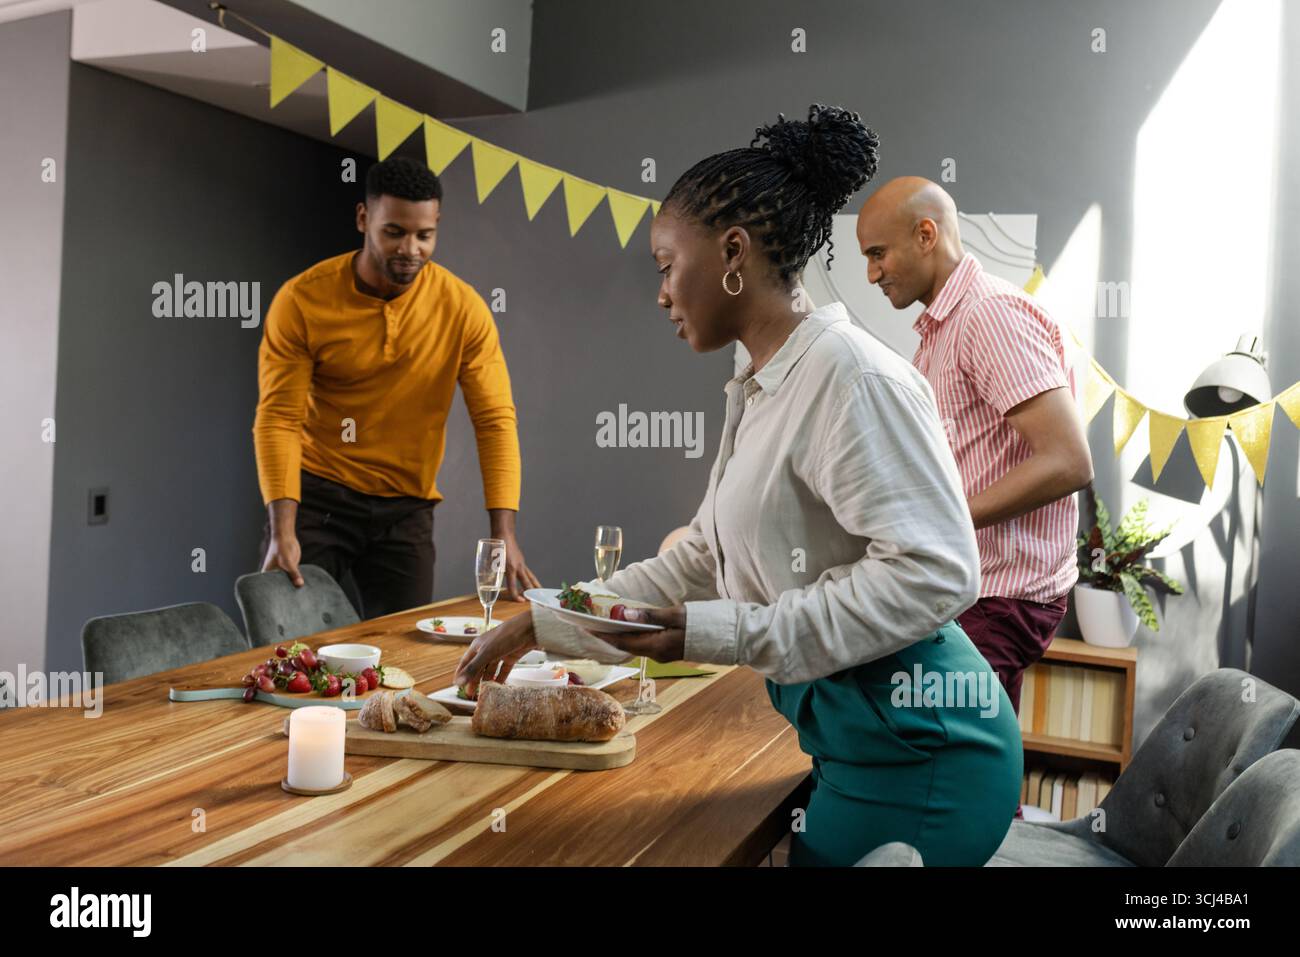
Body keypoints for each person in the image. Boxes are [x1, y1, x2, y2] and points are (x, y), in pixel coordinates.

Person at [456, 105, 1022, 867]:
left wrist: (714, 633)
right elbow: (698, 557)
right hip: (854, 742)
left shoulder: (849, 378)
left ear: (733, 251)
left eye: (665, 265)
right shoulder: (760, 381)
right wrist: (544, 619)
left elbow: (939, 571)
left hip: (926, 753)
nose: (660, 293)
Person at [254, 156, 540, 617]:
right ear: (364, 219)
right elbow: (279, 418)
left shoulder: (462, 308)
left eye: (424, 235)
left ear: (437, 226)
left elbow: (494, 420)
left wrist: (503, 533)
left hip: (406, 509)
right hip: (316, 499)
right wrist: (283, 528)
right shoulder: (303, 299)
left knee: (401, 649)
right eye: (394, 232)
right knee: (292, 645)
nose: (411, 248)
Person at [855, 178, 1093, 718]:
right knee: (975, 766)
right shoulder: (939, 333)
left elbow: (1068, 460)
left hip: (1002, 597)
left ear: (925, 234)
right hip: (971, 590)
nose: (871, 273)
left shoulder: (989, 315)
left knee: (941, 759)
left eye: (877, 253)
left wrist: (940, 521)